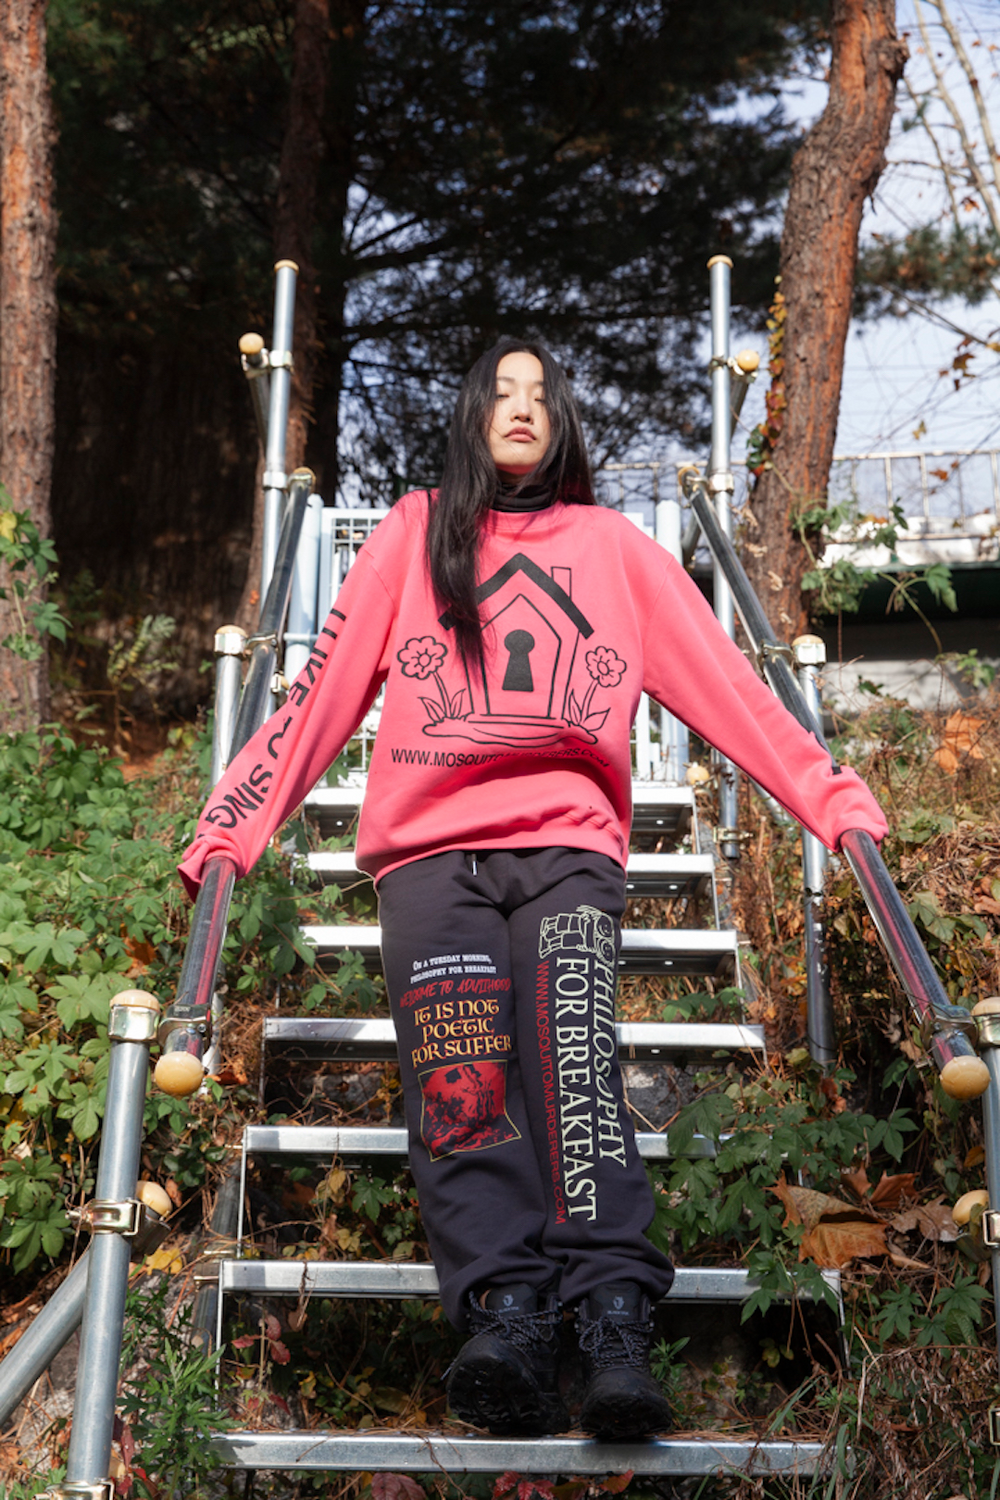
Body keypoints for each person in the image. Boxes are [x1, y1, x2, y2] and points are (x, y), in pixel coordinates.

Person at [180, 341, 888, 1441]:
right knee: (462, 1088)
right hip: (430, 861)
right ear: (471, 417)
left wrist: (830, 801)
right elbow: (319, 697)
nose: (521, 409)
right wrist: (235, 818)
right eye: (500, 394)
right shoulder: (413, 536)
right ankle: (506, 1318)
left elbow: (733, 691)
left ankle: (612, 1326)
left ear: (562, 422)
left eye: (540, 395)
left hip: (565, 849)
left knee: (576, 1072)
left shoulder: (614, 551)